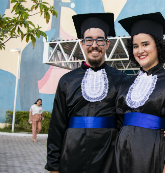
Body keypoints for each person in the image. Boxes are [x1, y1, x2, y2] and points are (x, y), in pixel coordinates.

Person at [45, 13, 127, 173]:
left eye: (100, 40)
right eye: (89, 39)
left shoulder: (121, 80)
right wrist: (54, 166)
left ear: (107, 44)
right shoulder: (66, 81)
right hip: (72, 154)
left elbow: (130, 118)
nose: (94, 44)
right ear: (82, 44)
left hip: (108, 157)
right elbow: (56, 126)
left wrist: (162, 129)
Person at [113, 12, 165, 173]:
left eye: (145, 44)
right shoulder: (125, 84)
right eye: (135, 46)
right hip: (121, 158)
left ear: (157, 45)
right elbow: (117, 123)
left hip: (153, 157)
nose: (140, 50)